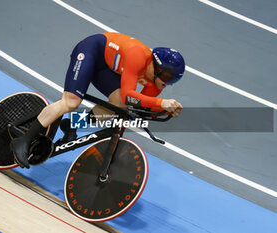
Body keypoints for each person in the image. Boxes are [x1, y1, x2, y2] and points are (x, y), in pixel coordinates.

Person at [11, 32, 185, 168]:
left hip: (106, 67)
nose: (168, 83)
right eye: (168, 76)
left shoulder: (157, 83)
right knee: (71, 102)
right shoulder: (138, 56)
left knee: (120, 106)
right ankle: (24, 140)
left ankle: (72, 124)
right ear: (157, 67)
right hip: (90, 51)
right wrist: (161, 103)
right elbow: (129, 95)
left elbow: (140, 106)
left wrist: (165, 110)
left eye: (173, 80)